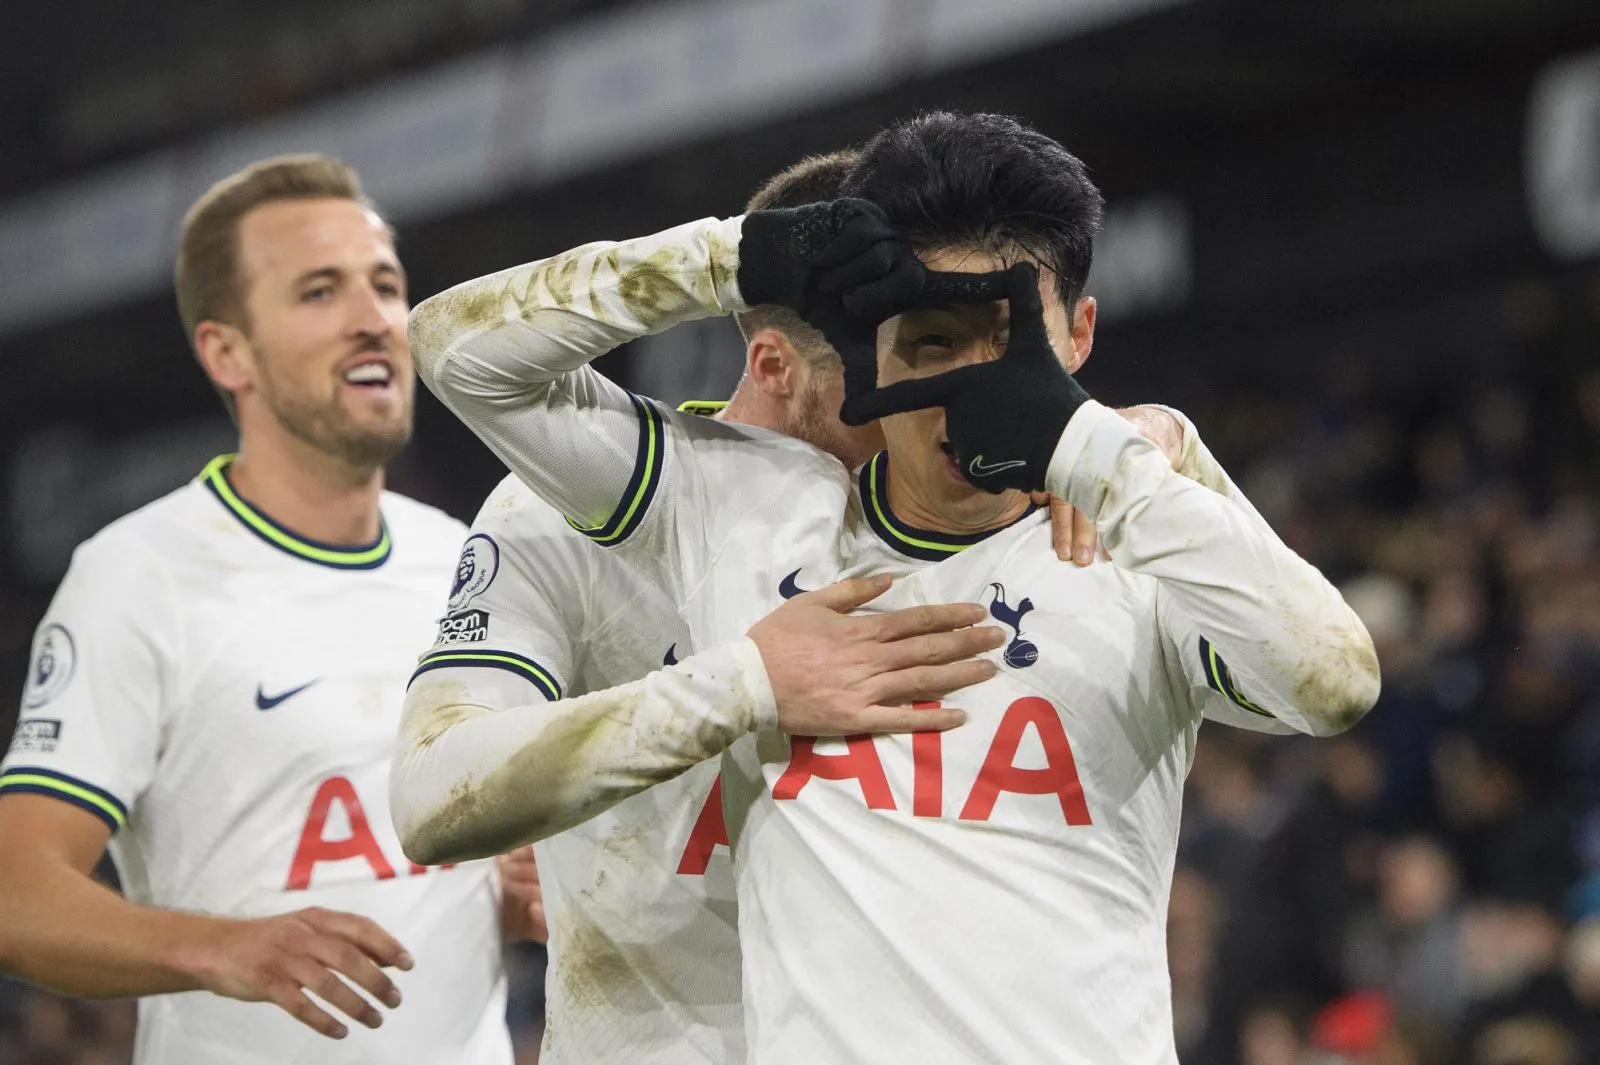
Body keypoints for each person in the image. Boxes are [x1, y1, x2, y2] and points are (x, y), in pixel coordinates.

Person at [396, 111, 1381, 1064]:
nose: (975, 389)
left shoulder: (1136, 536)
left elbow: (1333, 682)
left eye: (1013, 346)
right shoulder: (742, 509)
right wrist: (732, 258)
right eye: (932, 344)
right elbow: (456, 353)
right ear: (871, 350)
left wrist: (1119, 447)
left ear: (1079, 336)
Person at [0, 154, 543, 1065]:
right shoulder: (140, 575)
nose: (373, 318)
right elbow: (17, 894)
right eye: (320, 292)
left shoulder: (465, 560)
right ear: (228, 353)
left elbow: (446, 862)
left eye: (384, 285)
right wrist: (221, 947)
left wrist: (511, 894)